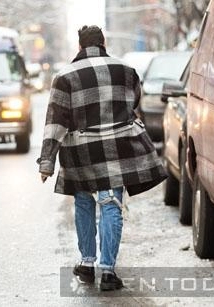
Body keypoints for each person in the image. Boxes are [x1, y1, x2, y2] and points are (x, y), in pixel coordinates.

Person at [36, 25, 167, 291]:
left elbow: (55, 124)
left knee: (84, 203)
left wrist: (47, 162)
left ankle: (86, 264)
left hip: (81, 152)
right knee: (110, 204)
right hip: (116, 150)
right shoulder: (126, 71)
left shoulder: (65, 77)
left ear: (80, 46)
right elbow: (133, 106)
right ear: (103, 43)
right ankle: (108, 271)